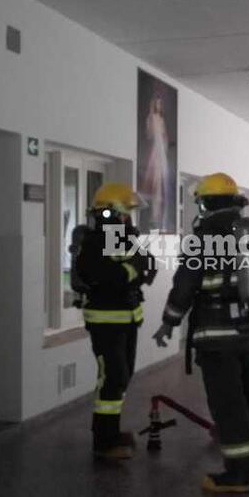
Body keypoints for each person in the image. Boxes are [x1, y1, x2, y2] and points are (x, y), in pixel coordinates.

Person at [152, 172, 249, 493]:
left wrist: (169, 322)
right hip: (248, 333)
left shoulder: (203, 239)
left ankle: (238, 473)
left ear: (206, 204)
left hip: (216, 335)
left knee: (227, 402)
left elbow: (185, 287)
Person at [75, 183, 157, 459]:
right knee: (112, 377)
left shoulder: (125, 237)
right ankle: (104, 440)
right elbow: (104, 275)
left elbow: (145, 263)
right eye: (124, 213)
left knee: (122, 376)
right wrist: (132, 270)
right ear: (109, 213)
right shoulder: (93, 242)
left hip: (128, 319)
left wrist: (141, 266)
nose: (127, 218)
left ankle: (113, 431)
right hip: (106, 321)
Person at [141, 95, 170, 231]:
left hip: (161, 150)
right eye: (157, 104)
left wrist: (165, 142)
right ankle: (154, 217)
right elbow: (149, 134)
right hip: (156, 150)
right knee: (155, 181)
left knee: (160, 183)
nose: (159, 106)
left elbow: (163, 135)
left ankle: (157, 218)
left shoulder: (161, 119)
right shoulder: (151, 118)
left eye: (160, 104)